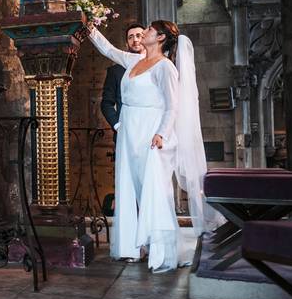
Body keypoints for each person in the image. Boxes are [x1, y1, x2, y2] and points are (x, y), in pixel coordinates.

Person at [84, 16, 220, 271]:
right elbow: (108, 49)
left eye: (148, 30)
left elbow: (172, 105)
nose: (143, 32)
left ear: (159, 38)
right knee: (129, 185)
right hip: (129, 130)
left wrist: (162, 134)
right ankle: (131, 248)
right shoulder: (134, 60)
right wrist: (88, 26)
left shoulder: (165, 67)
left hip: (152, 131)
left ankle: (162, 251)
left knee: (155, 191)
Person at [101, 23, 146, 132]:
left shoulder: (157, 65)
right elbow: (106, 103)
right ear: (126, 44)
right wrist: (118, 126)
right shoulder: (115, 71)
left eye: (139, 36)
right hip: (125, 131)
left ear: (147, 39)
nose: (135, 40)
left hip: (150, 131)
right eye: (130, 37)